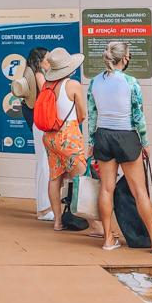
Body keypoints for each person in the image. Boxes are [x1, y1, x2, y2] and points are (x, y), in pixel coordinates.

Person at [88, 41, 152, 255]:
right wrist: (145, 142)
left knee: (106, 189)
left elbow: (92, 115)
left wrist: (91, 142)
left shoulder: (94, 82)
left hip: (103, 136)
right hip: (127, 136)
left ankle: (107, 239)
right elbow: (138, 116)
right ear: (124, 58)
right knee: (139, 191)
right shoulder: (131, 82)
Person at [38, 47, 88, 232]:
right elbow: (82, 114)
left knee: (55, 178)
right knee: (82, 177)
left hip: (49, 137)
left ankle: (58, 221)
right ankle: (96, 224)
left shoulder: (47, 85)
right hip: (68, 135)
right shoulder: (73, 85)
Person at [12, 47, 53, 221]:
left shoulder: (28, 71)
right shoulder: (39, 75)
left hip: (34, 118)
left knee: (41, 162)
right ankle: (44, 209)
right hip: (41, 120)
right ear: (39, 60)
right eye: (47, 59)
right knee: (45, 163)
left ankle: (41, 206)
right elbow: (49, 96)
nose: (50, 62)